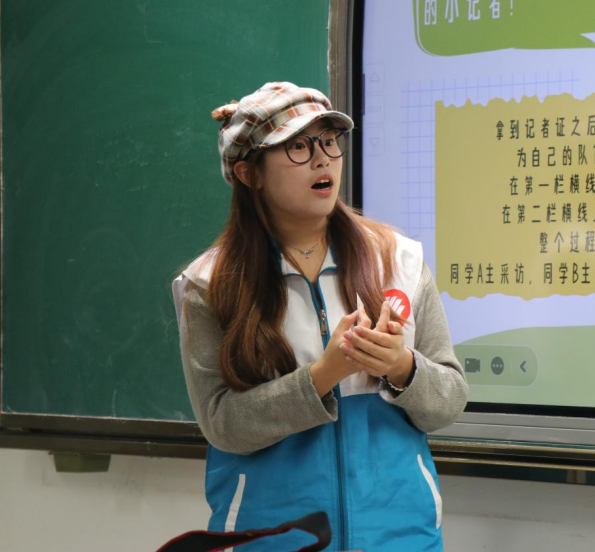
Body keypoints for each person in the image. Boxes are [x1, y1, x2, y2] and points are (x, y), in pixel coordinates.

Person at [173, 82, 467, 551]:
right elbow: (222, 424)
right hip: (273, 539)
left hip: (400, 535)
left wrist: (401, 366)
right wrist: (322, 376)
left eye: (329, 141)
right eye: (297, 147)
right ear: (250, 174)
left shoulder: (399, 261)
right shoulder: (210, 285)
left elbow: (449, 400)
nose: (322, 159)